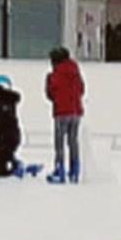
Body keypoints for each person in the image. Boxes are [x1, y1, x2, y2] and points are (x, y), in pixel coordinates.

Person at [45, 47, 85, 185]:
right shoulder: (75, 72)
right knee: (73, 141)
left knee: (59, 142)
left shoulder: (54, 75)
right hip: (76, 111)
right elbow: (81, 89)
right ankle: (75, 170)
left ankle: (59, 169)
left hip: (61, 111)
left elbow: (50, 94)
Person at [0, 74, 35, 178]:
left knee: (1, 169)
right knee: (3, 162)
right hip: (5, 140)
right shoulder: (3, 103)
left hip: (6, 140)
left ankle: (18, 167)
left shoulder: (3, 105)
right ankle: (18, 166)